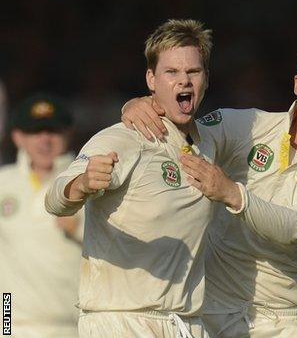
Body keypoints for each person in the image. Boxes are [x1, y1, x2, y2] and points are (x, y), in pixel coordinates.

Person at [121, 39, 297, 337]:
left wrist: (231, 193)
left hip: (278, 321)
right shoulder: (245, 124)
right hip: (206, 311)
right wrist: (142, 105)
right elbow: (178, 138)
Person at [45, 19, 215, 338]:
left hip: (185, 322)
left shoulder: (211, 141)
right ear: (151, 79)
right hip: (121, 321)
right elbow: (55, 198)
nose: (185, 82)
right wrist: (81, 185)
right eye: (172, 72)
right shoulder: (126, 137)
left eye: (193, 72)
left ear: (206, 78)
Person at [0, 94, 82, 337]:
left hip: (70, 324)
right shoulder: (3, 183)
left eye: (53, 132)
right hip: (10, 322)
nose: (44, 140)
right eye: (36, 132)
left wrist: (80, 229)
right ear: (18, 137)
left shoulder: (85, 181)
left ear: (68, 134)